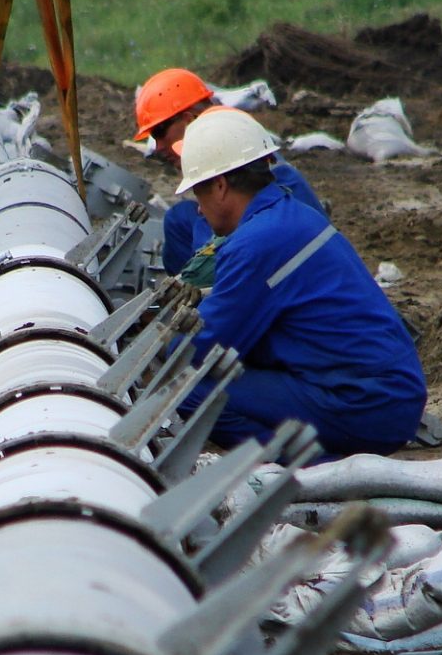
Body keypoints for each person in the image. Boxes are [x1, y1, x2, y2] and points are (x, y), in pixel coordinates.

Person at [172, 107, 426, 459]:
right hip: (391, 393)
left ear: (219, 186)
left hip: (367, 403)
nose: (198, 210)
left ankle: (320, 468)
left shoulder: (255, 243)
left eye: (198, 195)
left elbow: (203, 347)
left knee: (186, 388)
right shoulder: (294, 215)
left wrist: (161, 343)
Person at [133, 67, 325, 277]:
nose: (158, 147)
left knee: (209, 241)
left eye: (160, 132)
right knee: (179, 218)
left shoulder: (248, 163)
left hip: (282, 263)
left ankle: (200, 284)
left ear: (189, 120)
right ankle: (186, 288)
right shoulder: (229, 139)